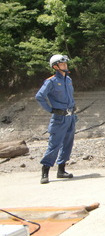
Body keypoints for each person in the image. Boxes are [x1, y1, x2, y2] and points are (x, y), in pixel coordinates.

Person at [35, 54, 77, 184]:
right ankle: (45, 171)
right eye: (62, 64)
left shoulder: (68, 79)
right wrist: (51, 110)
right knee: (55, 145)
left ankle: (61, 170)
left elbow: (70, 96)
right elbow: (39, 96)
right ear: (55, 66)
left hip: (70, 117)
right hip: (59, 118)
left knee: (68, 144)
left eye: (65, 63)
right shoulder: (51, 81)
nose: (65, 66)